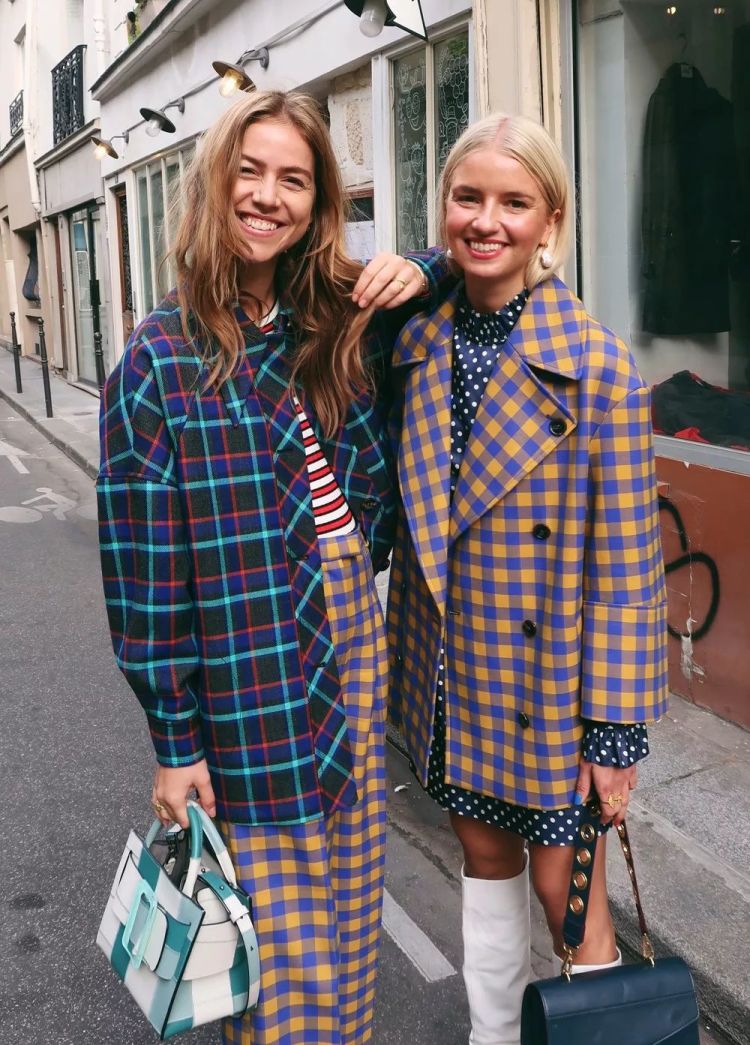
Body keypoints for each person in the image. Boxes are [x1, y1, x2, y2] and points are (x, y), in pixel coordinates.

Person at [97, 89, 442, 1045]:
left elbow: (461, 267)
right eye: (249, 171)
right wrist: (175, 742)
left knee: (349, 906)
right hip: (246, 671)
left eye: (293, 179)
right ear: (215, 181)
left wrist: (417, 266)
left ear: (318, 203)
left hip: (349, 637)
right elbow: (144, 578)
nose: (266, 196)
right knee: (273, 948)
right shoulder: (159, 359)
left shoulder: (331, 318)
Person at [385, 113, 669, 1045]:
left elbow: (629, 569)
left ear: (551, 221)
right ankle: (494, 1033)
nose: (487, 220)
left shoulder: (597, 367)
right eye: (468, 197)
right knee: (484, 860)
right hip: (453, 672)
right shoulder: (412, 344)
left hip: (550, 685)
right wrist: (421, 270)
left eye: (514, 202)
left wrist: (615, 731)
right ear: (444, 208)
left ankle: (604, 1033)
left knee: (566, 889)